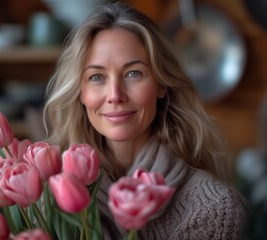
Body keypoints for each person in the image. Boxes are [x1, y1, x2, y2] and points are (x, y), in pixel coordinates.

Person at [43, 1, 246, 239]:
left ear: (161, 84)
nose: (115, 95)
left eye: (133, 73)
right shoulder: (49, 202)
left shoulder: (212, 209)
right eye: (97, 76)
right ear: (80, 93)